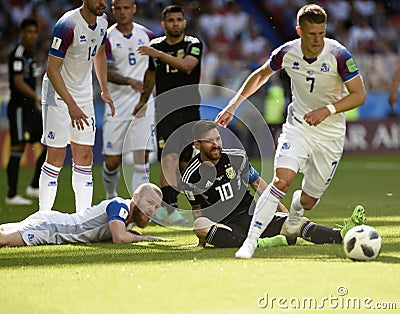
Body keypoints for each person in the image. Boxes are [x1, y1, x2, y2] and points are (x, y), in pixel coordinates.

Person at [215, 4, 366, 258]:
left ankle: (296, 209)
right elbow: (260, 75)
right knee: (280, 180)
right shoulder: (286, 53)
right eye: (311, 34)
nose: (317, 39)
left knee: (308, 200)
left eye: (321, 33)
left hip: (329, 134)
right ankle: (250, 242)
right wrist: (234, 104)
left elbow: (359, 95)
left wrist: (326, 110)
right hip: (298, 127)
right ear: (299, 31)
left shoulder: (338, 55)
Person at [181, 120, 366, 249]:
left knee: (299, 224)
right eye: (209, 141)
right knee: (199, 225)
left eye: (218, 139)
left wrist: (284, 212)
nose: (216, 144)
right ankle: (261, 242)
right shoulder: (190, 176)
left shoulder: (236, 157)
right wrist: (201, 241)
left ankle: (341, 235)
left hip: (253, 215)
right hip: (225, 226)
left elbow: (259, 185)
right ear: (197, 145)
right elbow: (197, 210)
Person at [39, 0, 115, 212]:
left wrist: (104, 88)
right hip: (58, 93)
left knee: (84, 156)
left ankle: (83, 218)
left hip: (83, 94)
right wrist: (71, 105)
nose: (103, 3)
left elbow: (99, 52)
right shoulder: (67, 25)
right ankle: (43, 217)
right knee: (56, 156)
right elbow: (52, 70)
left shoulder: (103, 21)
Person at [136, 4, 203, 225]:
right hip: (165, 110)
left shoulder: (193, 44)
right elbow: (151, 74)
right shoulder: (156, 46)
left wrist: (158, 54)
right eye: (171, 20)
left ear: (184, 23)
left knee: (185, 162)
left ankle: (187, 201)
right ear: (164, 24)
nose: (175, 24)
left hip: (190, 110)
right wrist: (143, 101)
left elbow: (187, 66)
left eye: (179, 20)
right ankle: (170, 209)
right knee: (169, 157)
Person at [0, 183, 169, 247]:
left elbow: (115, 234)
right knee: (4, 240)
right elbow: (119, 238)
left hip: (53, 221)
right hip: (52, 228)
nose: (151, 210)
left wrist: (129, 233)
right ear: (136, 198)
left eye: (156, 206)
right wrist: (146, 239)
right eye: (149, 202)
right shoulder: (120, 206)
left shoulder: (128, 218)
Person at [102, 0, 155, 199]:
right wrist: (128, 81)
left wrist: (144, 97)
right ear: (113, 10)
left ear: (134, 9)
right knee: (112, 162)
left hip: (144, 103)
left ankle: (139, 207)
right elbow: (105, 71)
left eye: (126, 8)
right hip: (116, 105)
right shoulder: (106, 37)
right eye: (118, 8)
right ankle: (110, 196)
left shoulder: (148, 36)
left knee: (141, 157)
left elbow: (153, 70)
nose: (122, 12)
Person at [5, 18, 47, 205]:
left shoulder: (31, 53)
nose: (32, 35)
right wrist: (36, 97)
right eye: (29, 32)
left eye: (35, 32)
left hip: (31, 108)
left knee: (48, 142)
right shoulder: (18, 53)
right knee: (17, 148)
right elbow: (18, 81)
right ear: (22, 33)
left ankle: (34, 186)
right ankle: (12, 195)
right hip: (20, 108)